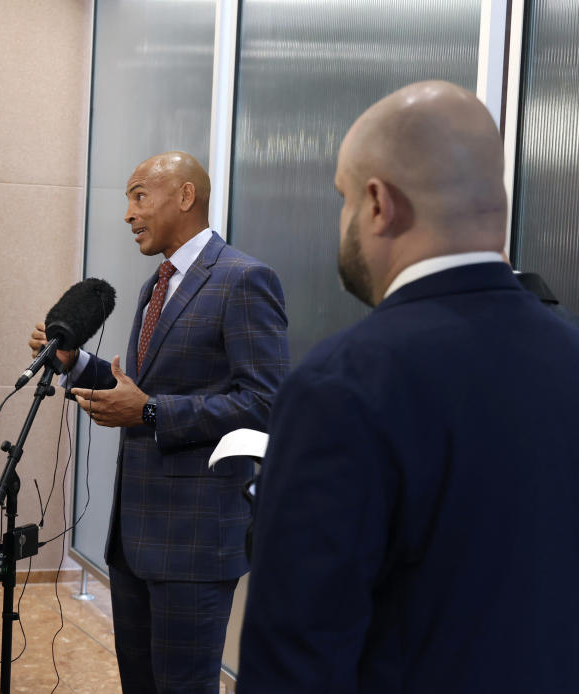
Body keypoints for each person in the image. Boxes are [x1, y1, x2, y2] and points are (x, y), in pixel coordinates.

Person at [238, 81, 579, 694]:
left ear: (378, 203)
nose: (343, 222)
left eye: (343, 200)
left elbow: (296, 656)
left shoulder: (340, 387)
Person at [29, 151, 288, 694]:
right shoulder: (156, 285)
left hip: (194, 543)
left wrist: (149, 412)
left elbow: (266, 402)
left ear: (186, 196)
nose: (128, 213)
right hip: (133, 540)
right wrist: (77, 365)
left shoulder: (243, 280)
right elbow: (143, 387)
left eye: (139, 195)